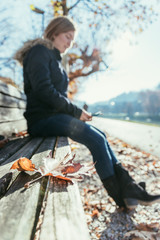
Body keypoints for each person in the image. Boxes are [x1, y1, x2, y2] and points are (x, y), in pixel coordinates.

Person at [14, 16, 160, 209]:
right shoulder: (40, 51)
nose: (69, 43)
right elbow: (44, 91)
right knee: (96, 139)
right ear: (55, 32)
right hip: (42, 120)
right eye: (67, 37)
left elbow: (56, 95)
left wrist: (76, 112)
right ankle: (120, 196)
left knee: (100, 136)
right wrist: (76, 112)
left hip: (53, 117)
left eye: (72, 39)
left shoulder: (54, 58)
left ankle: (129, 188)